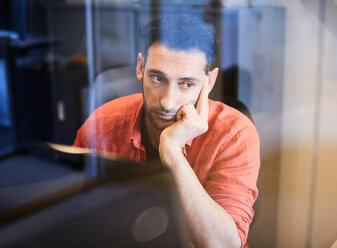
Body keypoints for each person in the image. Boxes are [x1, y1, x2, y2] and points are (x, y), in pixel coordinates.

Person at [74, 15, 260, 248]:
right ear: (141, 67)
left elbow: (223, 244)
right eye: (157, 78)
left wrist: (173, 153)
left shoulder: (234, 134)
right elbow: (71, 215)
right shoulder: (102, 124)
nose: (167, 102)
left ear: (209, 81)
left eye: (187, 83)